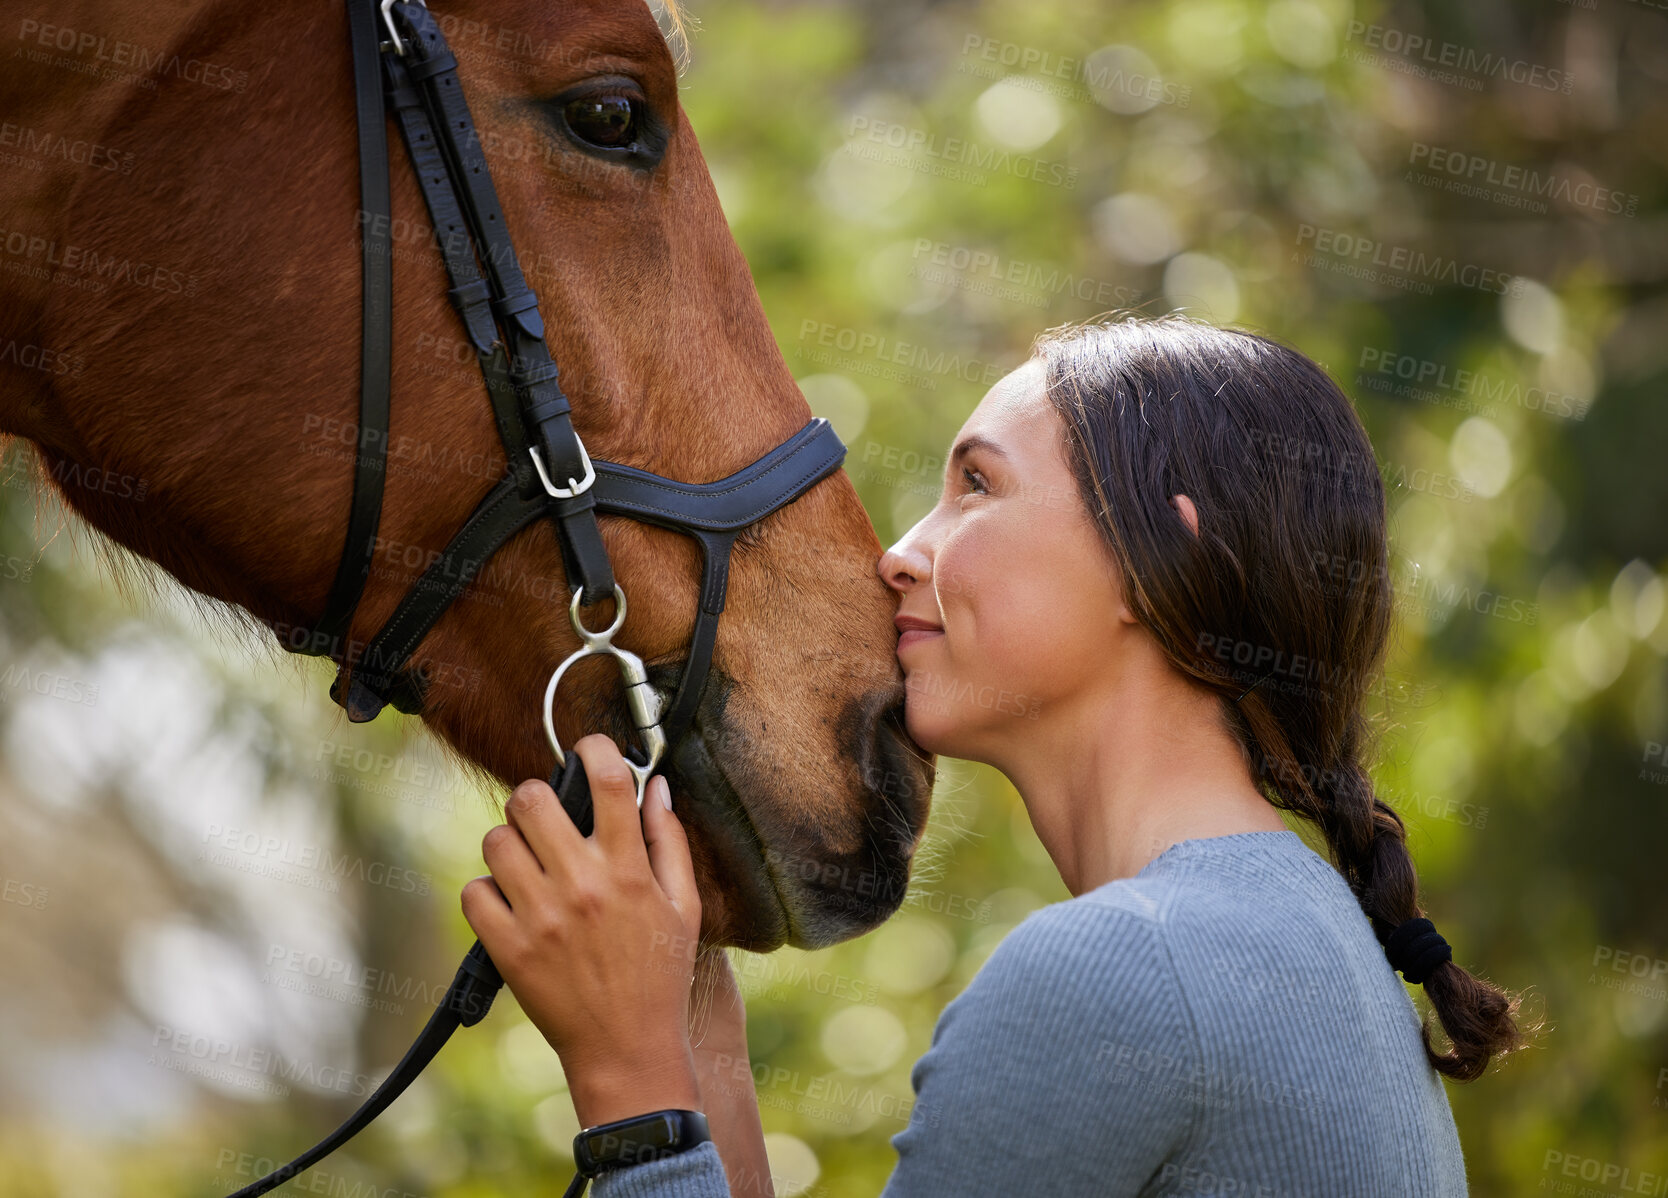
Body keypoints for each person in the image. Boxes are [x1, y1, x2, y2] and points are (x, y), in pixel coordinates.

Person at [460, 313, 1535, 1197]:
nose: (898, 551)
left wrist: (628, 1091)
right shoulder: (1299, 933)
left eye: (976, 486)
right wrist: (688, 1010)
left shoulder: (1122, 971)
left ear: (1161, 558)